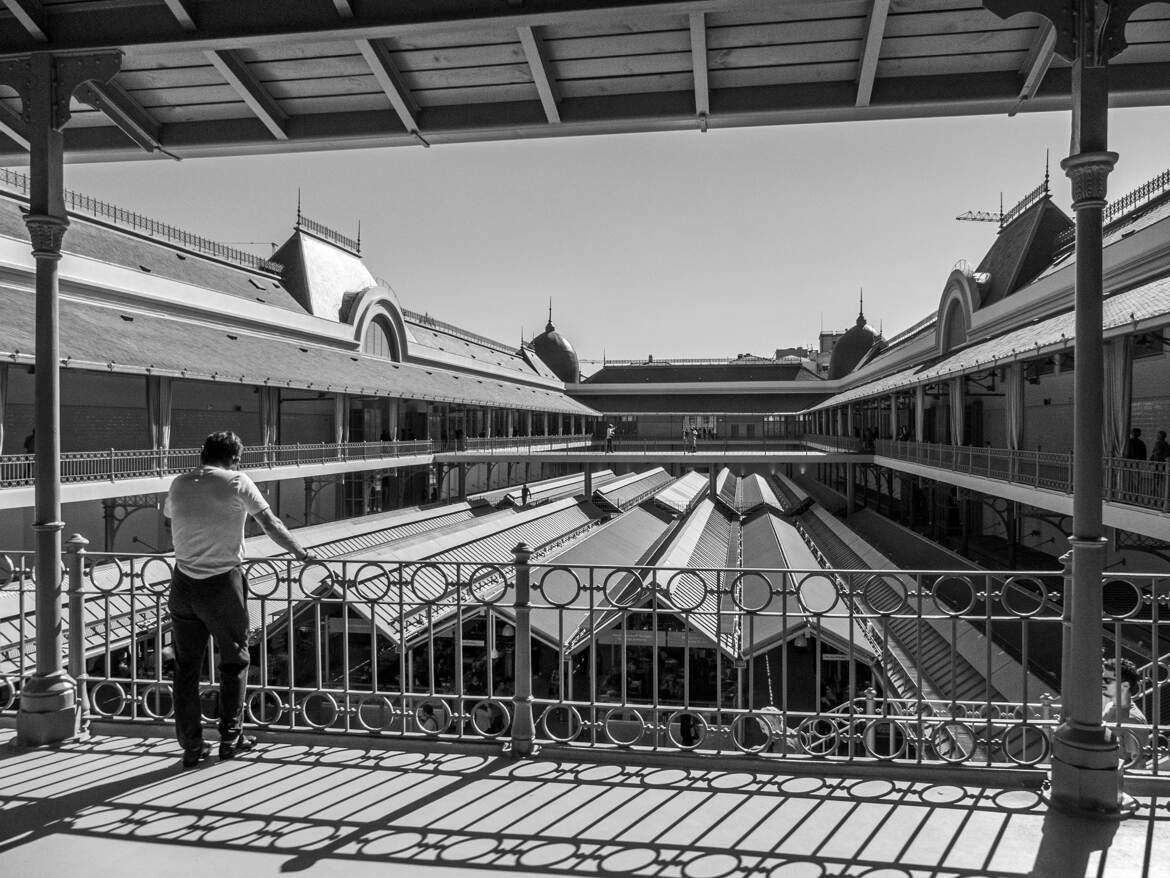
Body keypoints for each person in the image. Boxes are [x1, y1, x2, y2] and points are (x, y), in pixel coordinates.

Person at [165, 431, 315, 768]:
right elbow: (270, 523)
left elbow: (172, 519)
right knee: (234, 661)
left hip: (182, 582)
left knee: (185, 668)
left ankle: (191, 745)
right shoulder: (236, 481)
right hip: (221, 584)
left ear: (203, 454)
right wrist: (301, 553)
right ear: (234, 458)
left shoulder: (179, 482)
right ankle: (230, 739)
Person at [1102, 657, 1149, 769]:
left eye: (1107, 680)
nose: (1102, 683)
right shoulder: (1110, 705)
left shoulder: (1133, 720)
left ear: (1125, 686)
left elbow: (1137, 765)